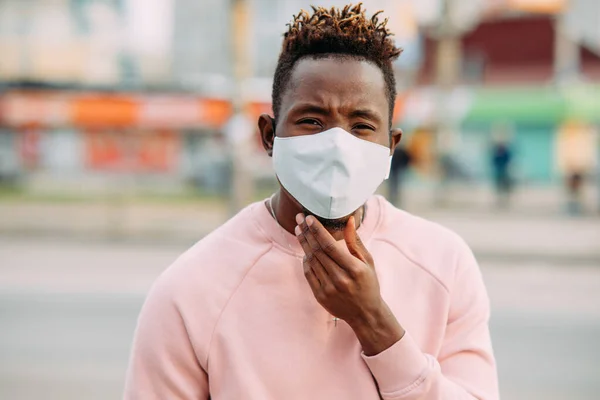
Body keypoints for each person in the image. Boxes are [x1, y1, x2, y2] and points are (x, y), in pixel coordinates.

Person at [124, 5, 498, 400]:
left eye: (362, 126)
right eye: (312, 121)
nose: (337, 146)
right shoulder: (190, 292)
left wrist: (374, 322)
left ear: (391, 145)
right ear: (269, 136)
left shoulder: (444, 264)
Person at [490, 138, 513, 209]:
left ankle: (506, 198)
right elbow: (493, 160)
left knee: (506, 185)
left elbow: (509, 159)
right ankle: (500, 199)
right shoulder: (496, 152)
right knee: (499, 186)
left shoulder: (506, 152)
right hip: (498, 171)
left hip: (504, 170)